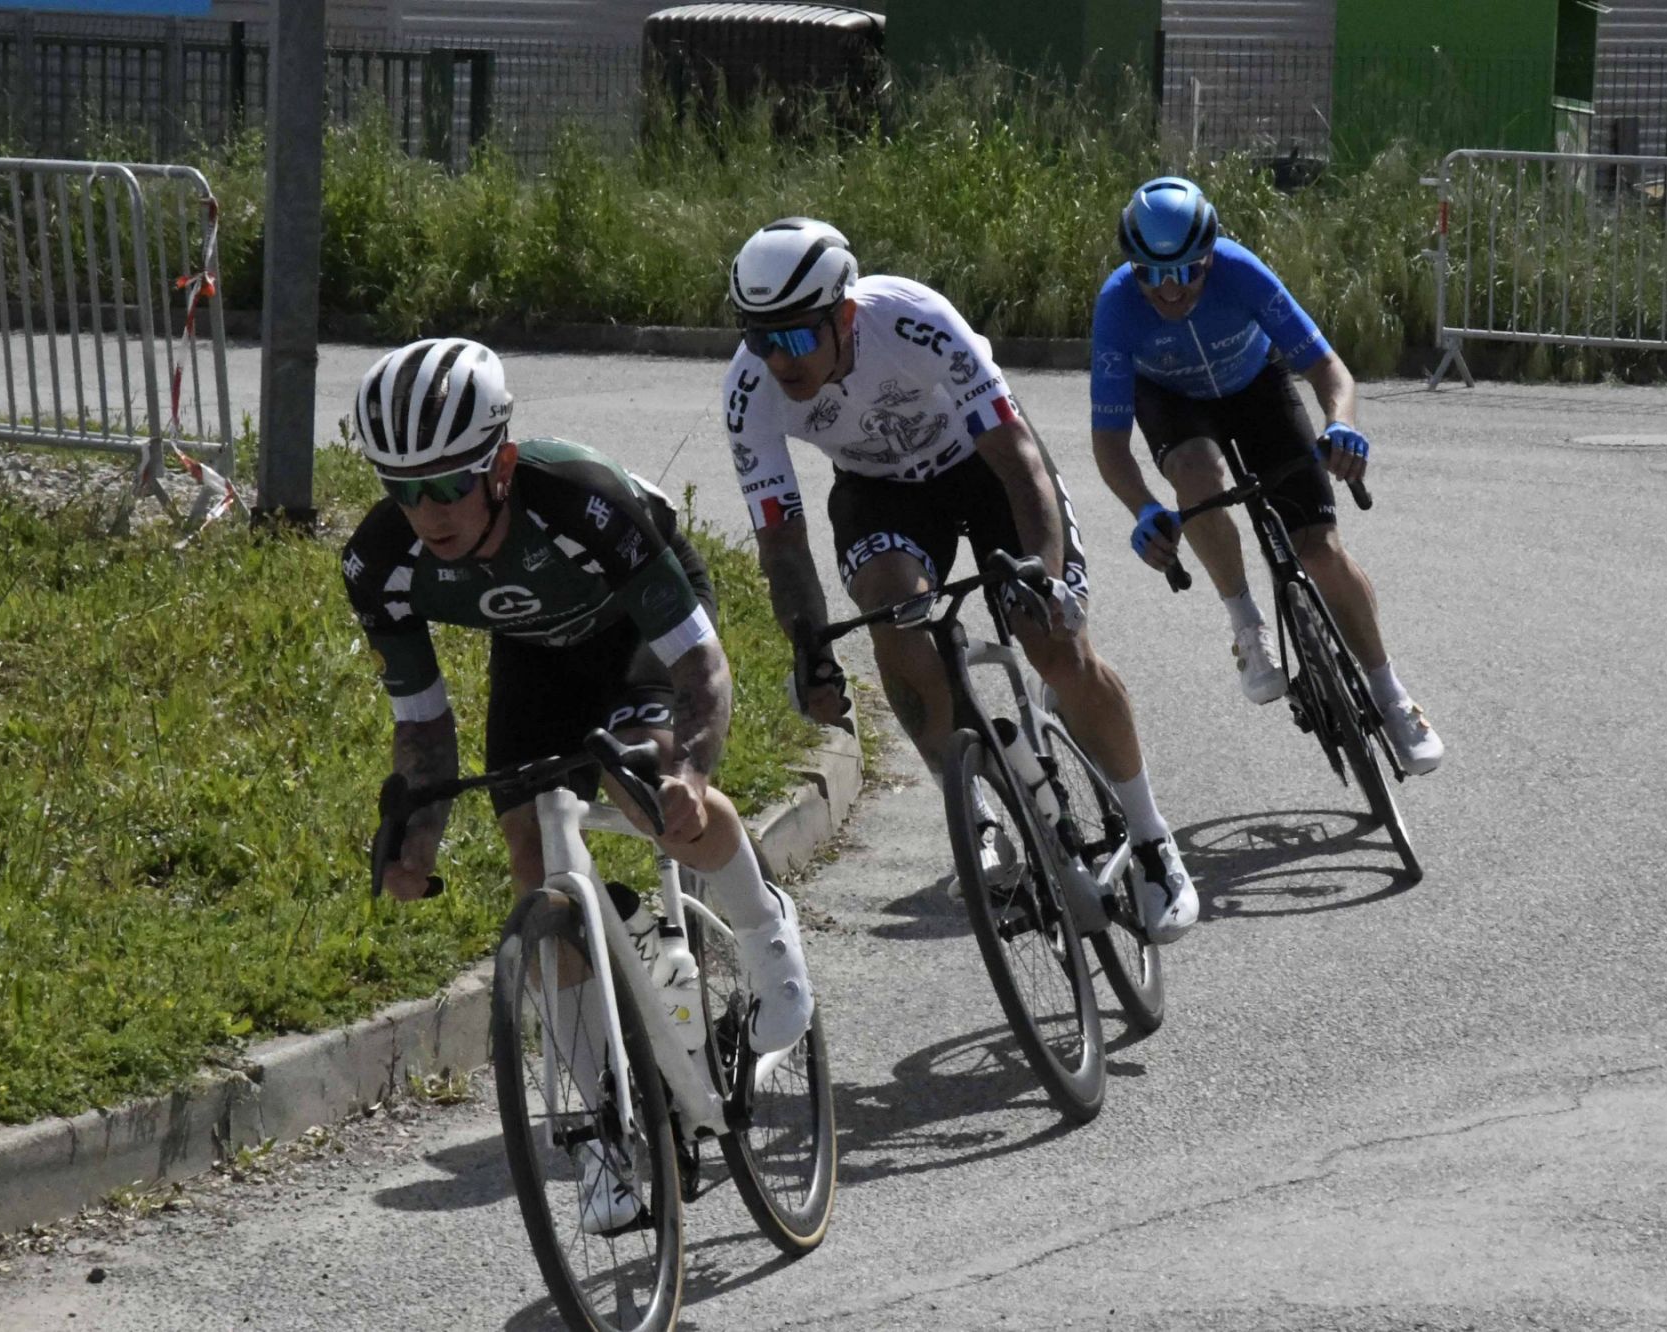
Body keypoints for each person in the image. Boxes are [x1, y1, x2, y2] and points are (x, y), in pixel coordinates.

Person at [342, 337, 814, 1231]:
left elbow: (702, 668)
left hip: (640, 625)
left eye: (448, 484)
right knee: (532, 861)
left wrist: (688, 771)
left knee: (649, 790)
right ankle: (600, 1135)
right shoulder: (379, 562)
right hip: (538, 654)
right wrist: (417, 842)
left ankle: (763, 926)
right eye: (402, 488)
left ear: (500, 466)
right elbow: (424, 730)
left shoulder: (581, 499)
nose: (427, 511)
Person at [719, 217, 1197, 944]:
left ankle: (1153, 839)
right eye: (760, 337)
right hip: (881, 492)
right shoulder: (750, 390)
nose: (778, 358)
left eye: (794, 335)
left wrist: (1043, 579)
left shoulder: (913, 319)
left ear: (844, 315)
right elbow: (781, 541)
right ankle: (974, 816)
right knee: (889, 613)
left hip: (985, 463)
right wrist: (809, 648)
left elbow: (1019, 462)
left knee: (1056, 643)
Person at [1088, 176, 1445, 775]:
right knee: (1196, 474)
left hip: (1254, 386)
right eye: (1151, 273)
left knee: (1321, 550)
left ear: (1210, 257)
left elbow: (1328, 369)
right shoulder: (1118, 306)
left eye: (1186, 271)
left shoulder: (1240, 271)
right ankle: (1246, 622)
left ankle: (1392, 694)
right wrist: (1144, 508)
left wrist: (1340, 423)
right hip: (1174, 402)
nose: (1170, 290)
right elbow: (1109, 443)